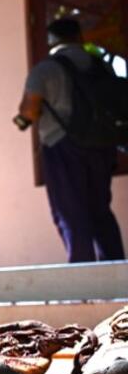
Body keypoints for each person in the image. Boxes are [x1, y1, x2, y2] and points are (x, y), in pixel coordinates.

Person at [17, 17, 124, 263]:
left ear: (51, 40)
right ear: (79, 36)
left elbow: (29, 110)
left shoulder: (45, 69)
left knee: (70, 213)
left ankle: (82, 283)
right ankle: (118, 277)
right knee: (100, 211)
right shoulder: (101, 66)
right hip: (103, 145)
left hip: (63, 146)